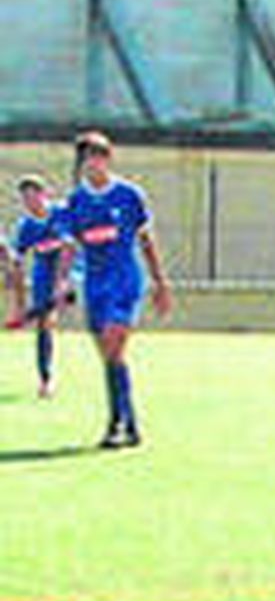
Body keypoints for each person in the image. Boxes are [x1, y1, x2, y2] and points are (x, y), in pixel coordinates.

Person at [58, 131, 172, 448]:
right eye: (85, 160)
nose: (91, 165)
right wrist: (63, 281)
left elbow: (146, 240)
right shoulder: (76, 202)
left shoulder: (129, 195)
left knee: (113, 343)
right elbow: (69, 245)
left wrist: (160, 283)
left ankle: (115, 423)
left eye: (97, 157)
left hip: (124, 281)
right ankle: (130, 422)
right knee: (110, 356)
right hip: (95, 284)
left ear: (107, 159)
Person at [11, 174, 76, 398]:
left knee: (51, 311)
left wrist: (63, 282)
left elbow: (70, 248)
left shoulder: (61, 213)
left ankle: (44, 308)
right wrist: (19, 304)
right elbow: (17, 265)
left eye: (33, 197)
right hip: (43, 272)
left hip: (71, 268)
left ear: (44, 194)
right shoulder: (25, 226)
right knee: (44, 324)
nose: (30, 203)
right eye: (25, 199)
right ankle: (46, 380)